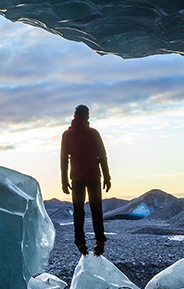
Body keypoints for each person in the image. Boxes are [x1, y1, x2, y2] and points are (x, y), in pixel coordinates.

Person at [60, 104, 111, 256]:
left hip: (76, 177)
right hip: (94, 176)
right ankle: (100, 241)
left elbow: (64, 159)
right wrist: (107, 176)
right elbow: (102, 156)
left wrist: (64, 180)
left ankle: (80, 242)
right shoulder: (93, 133)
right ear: (87, 116)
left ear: (75, 116)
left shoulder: (67, 135)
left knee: (78, 211)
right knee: (96, 210)